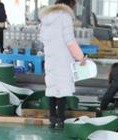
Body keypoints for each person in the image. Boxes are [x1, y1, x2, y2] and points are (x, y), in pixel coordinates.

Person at [39, 0, 87, 128]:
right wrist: (80, 57)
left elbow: (42, 38)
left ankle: (52, 117)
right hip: (63, 58)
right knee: (62, 88)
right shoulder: (65, 17)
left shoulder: (45, 17)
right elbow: (69, 41)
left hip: (50, 58)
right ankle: (60, 118)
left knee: (52, 87)